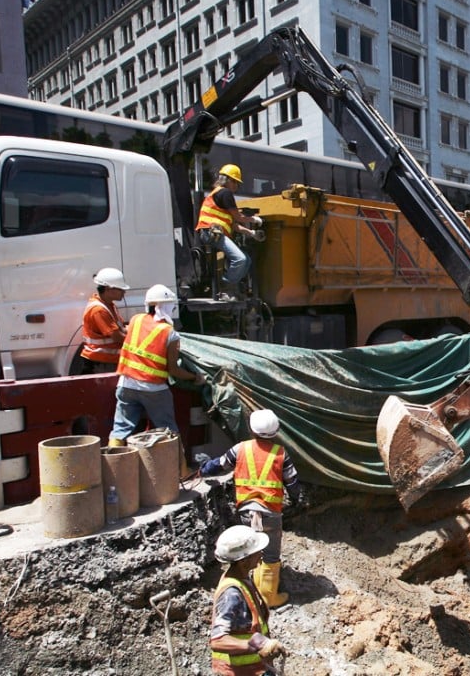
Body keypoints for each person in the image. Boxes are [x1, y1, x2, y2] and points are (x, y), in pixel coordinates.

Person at [201, 409, 301, 608]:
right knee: (271, 553)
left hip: (247, 509)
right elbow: (292, 481)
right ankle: (269, 597)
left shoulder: (241, 449)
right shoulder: (280, 453)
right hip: (270, 510)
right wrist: (296, 499)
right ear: (276, 431)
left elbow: (220, 464)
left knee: (254, 547)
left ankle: (252, 591)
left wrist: (203, 470)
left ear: (252, 430)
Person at [108, 284, 205, 447]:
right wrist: (196, 377)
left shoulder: (135, 320)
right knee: (169, 431)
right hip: (153, 390)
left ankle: (113, 464)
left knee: (120, 430)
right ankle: (179, 468)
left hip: (125, 385)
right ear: (167, 306)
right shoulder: (170, 333)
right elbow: (173, 370)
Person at [210, 525, 286, 675]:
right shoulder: (232, 594)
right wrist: (255, 645)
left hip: (256, 667)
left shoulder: (242, 577)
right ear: (243, 561)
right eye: (256, 552)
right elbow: (217, 640)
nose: (261, 554)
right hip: (240, 671)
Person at [195, 164, 264, 299]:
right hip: (211, 232)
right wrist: (254, 220)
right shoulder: (225, 193)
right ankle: (225, 288)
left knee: (247, 261)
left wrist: (252, 234)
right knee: (240, 259)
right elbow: (239, 218)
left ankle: (233, 289)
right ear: (229, 181)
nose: (237, 187)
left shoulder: (218, 195)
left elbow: (234, 225)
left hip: (211, 233)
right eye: (236, 183)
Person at [79, 268, 129, 374]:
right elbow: (117, 337)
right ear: (108, 289)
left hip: (106, 361)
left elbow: (120, 329)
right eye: (120, 289)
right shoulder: (99, 310)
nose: (124, 292)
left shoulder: (108, 305)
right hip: (100, 362)